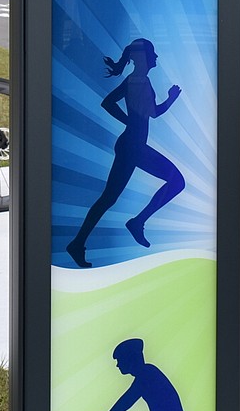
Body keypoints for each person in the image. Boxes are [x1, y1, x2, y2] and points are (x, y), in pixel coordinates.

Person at [66, 38, 184, 268]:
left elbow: (123, 106)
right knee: (176, 181)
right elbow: (136, 109)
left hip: (131, 145)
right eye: (152, 53)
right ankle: (136, 223)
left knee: (108, 198)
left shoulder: (138, 80)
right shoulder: (138, 82)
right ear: (144, 58)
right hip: (133, 146)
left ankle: (80, 242)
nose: (156, 56)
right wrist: (168, 100)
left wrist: (132, 120)